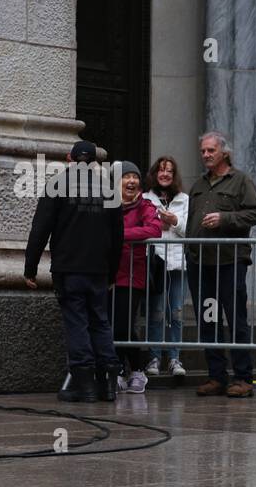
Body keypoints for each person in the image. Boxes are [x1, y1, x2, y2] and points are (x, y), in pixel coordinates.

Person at [23, 140, 123, 402]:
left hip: (69, 269)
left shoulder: (57, 185)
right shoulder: (108, 189)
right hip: (99, 270)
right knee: (100, 322)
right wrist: (112, 273)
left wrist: (30, 268)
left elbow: (40, 229)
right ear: (94, 162)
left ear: (70, 158)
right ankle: (108, 385)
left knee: (77, 323)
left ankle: (84, 385)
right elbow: (117, 237)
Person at [186, 131, 256, 398]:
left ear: (224, 153)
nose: (206, 155)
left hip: (230, 262)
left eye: (211, 150)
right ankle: (216, 376)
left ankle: (243, 377)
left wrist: (225, 218)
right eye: (203, 151)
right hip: (201, 263)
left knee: (235, 319)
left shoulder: (240, 181)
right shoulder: (198, 185)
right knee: (208, 319)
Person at [111, 161, 162, 394]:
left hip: (133, 275)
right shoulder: (107, 205)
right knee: (111, 325)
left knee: (125, 324)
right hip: (107, 274)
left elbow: (154, 230)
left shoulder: (146, 205)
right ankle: (119, 370)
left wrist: (120, 235)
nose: (131, 181)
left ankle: (137, 370)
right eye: (126, 177)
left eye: (135, 176)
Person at [143, 155, 190, 379]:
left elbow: (190, 230)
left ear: (174, 175)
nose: (165, 174)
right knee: (157, 312)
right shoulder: (145, 199)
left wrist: (175, 222)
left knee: (177, 313)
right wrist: (156, 225)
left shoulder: (184, 200)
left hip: (177, 264)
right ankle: (154, 357)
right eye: (161, 170)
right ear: (155, 174)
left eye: (169, 171)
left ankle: (174, 358)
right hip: (156, 263)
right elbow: (142, 227)